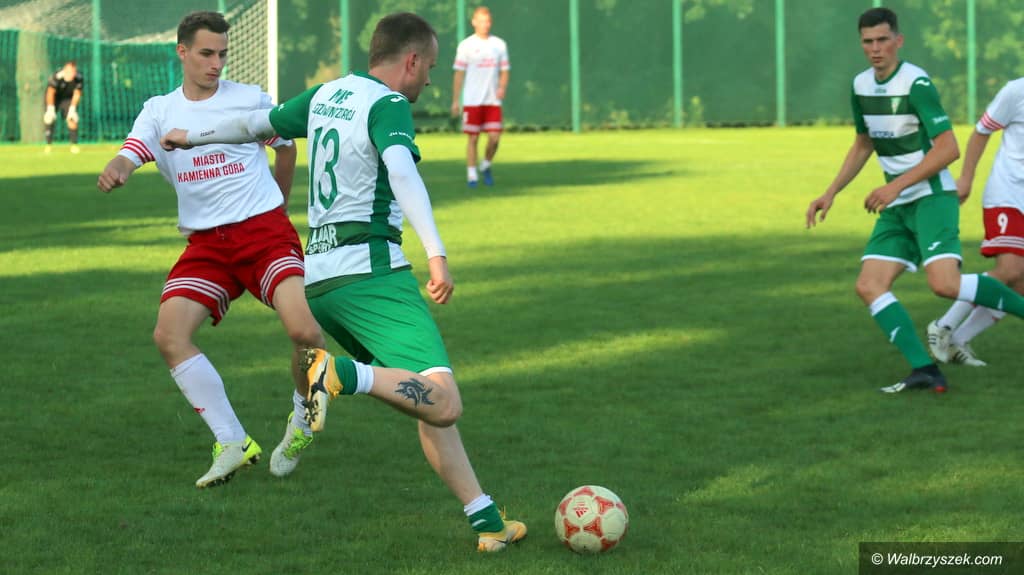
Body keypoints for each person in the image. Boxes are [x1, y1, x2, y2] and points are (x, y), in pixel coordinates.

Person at [160, 12, 527, 552]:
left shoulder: (328, 93)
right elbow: (402, 171)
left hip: (320, 281)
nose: (429, 80)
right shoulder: (389, 104)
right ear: (411, 61)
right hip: (372, 275)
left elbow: (255, 125)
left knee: (425, 394)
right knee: (446, 402)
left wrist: (190, 135)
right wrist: (437, 254)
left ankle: (487, 522)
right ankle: (335, 374)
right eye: (428, 67)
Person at [96, 11, 442, 490]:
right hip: (207, 244)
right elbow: (133, 150)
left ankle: (302, 416)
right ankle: (231, 441)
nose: (216, 64)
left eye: (222, 54)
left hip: (263, 234)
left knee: (305, 331)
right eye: (206, 54)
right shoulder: (159, 110)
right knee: (169, 336)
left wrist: (278, 205)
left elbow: (285, 145)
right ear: (182, 52)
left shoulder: (249, 98)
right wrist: (118, 167)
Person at [805, 7, 1024, 394]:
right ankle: (925, 370)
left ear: (898, 40)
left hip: (931, 198)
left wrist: (895, 186)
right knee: (869, 285)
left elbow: (949, 148)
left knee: (945, 285)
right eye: (868, 42)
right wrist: (830, 191)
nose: (876, 49)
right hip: (897, 206)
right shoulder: (860, 85)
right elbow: (863, 143)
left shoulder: (916, 83)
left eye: (883, 40)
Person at [927, 78, 1024, 367]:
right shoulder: (1016, 91)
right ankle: (942, 326)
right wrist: (966, 178)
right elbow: (981, 132)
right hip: (1007, 193)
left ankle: (958, 340)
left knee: (1019, 286)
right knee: (1009, 269)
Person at [450, 6, 509, 188]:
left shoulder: (499, 45)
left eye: (487, 21)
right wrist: (455, 100)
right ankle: (472, 176)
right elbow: (459, 74)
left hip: (492, 101)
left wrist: (501, 87)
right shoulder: (466, 45)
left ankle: (485, 165)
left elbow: (505, 70)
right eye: (481, 21)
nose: (485, 24)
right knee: (473, 138)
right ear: (474, 22)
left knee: (495, 137)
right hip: (472, 101)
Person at [43, 60, 83, 154]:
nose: (71, 74)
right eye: (69, 71)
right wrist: (50, 109)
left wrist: (72, 109)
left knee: (72, 119)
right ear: (64, 70)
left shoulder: (79, 77)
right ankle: (48, 145)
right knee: (49, 119)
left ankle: (74, 145)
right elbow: (50, 92)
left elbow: (77, 94)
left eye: (73, 71)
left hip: (68, 99)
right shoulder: (57, 76)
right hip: (54, 98)